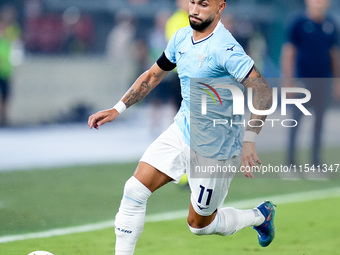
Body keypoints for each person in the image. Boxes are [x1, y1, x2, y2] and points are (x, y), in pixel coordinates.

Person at [89, 0, 275, 254]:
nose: (195, 10)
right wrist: (117, 108)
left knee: (200, 226)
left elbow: (263, 91)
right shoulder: (180, 38)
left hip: (216, 147)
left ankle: (260, 216)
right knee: (134, 190)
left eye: (204, 5)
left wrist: (250, 137)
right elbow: (153, 75)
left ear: (220, 8)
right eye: (193, 3)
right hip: (182, 129)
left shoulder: (225, 48)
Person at [281, 0, 340, 167]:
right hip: (302, 80)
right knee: (296, 121)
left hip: (323, 80)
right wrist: (288, 80)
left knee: (320, 122)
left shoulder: (331, 25)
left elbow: (334, 54)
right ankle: (290, 163)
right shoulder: (298, 23)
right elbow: (289, 52)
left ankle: (315, 162)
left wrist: (337, 81)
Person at [0, 5, 20, 126]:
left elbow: (16, 45)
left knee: (6, 96)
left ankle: (4, 118)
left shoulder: (13, 30)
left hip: (6, 70)